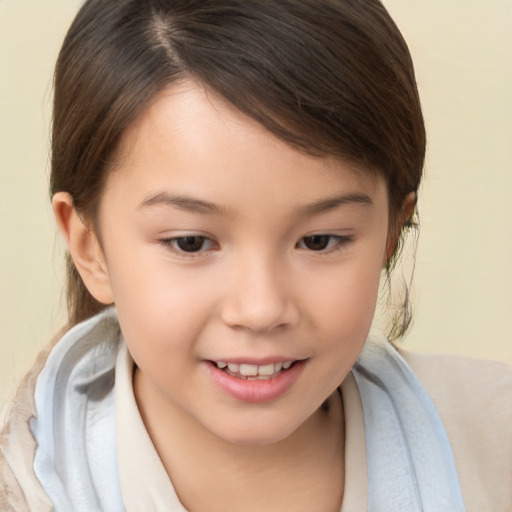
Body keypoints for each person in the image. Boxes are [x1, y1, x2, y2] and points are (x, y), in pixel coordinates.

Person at [0, 0, 510, 510]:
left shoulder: (495, 446)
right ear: (90, 248)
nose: (262, 308)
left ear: (390, 234)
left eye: (319, 240)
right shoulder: (23, 488)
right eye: (191, 242)